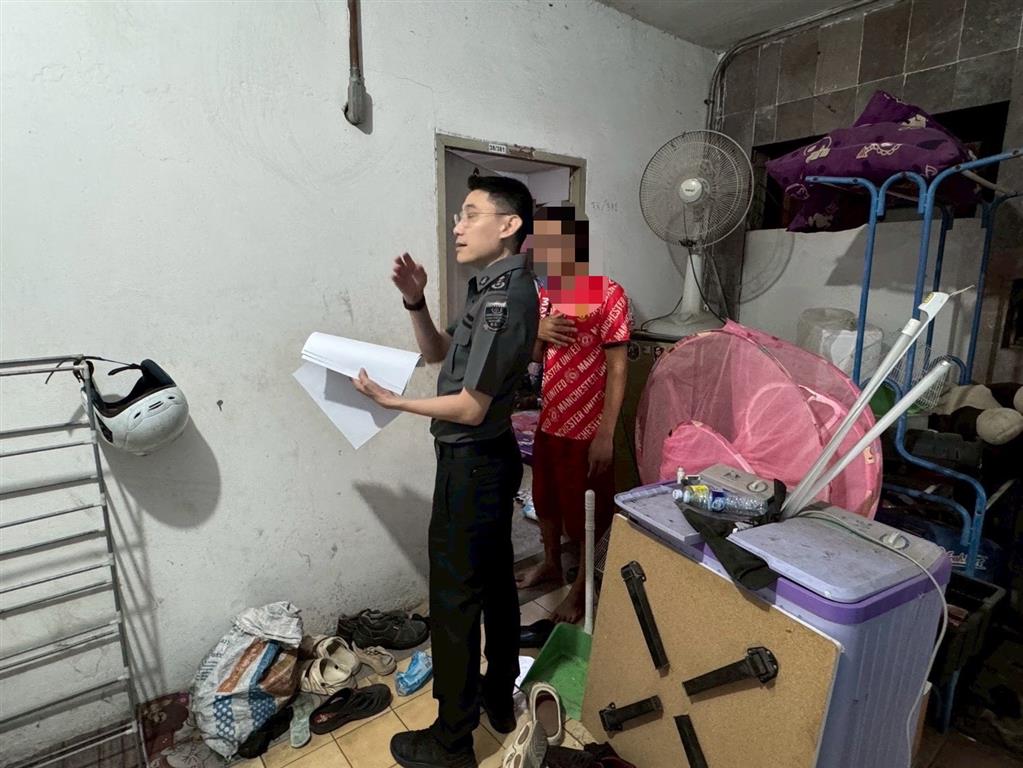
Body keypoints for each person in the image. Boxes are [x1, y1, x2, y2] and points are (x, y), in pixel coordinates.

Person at [352, 175, 538, 768]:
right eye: (459, 216)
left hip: (473, 463)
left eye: (471, 214)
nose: (458, 227)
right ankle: (498, 699)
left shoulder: (507, 300)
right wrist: (416, 301)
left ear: (508, 225)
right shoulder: (490, 289)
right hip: (485, 460)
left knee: (455, 602)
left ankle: (452, 741)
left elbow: (470, 407)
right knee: (496, 584)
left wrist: (394, 402)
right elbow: (437, 353)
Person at [515, 205, 630, 624]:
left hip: (588, 432)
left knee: (588, 515)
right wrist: (536, 331)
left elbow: (618, 369)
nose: (541, 251)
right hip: (550, 424)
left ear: (575, 244)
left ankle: (583, 589)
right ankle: (550, 563)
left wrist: (606, 434)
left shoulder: (608, 294)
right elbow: (534, 357)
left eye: (551, 241)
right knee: (546, 501)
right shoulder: (546, 297)